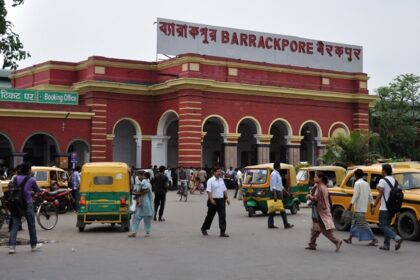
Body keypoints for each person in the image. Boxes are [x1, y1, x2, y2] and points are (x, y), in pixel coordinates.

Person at [8, 162, 43, 254]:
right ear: (28, 170)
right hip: (27, 204)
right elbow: (37, 191)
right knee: (31, 225)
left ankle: (12, 247)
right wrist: (33, 193)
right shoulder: (31, 179)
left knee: (15, 225)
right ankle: (33, 245)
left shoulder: (15, 178)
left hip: (16, 204)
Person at [306, 172, 342, 252]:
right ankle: (312, 244)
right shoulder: (323, 187)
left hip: (321, 211)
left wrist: (309, 196)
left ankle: (336, 241)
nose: (314, 178)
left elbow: (316, 199)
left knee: (322, 229)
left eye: (316, 177)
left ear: (320, 178)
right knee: (315, 228)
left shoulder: (320, 188)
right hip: (323, 209)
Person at [372, 164, 403, 251]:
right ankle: (386, 245)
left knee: (382, 226)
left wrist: (374, 205)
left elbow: (380, 194)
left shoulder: (383, 180)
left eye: (382, 170)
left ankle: (396, 238)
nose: (381, 171)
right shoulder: (394, 180)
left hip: (385, 208)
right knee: (387, 226)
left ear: (384, 171)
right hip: (392, 208)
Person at [343, 169, 378, 246]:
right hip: (363, 208)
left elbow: (355, 196)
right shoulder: (366, 184)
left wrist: (350, 205)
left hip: (358, 208)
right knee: (354, 223)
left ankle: (374, 239)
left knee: (363, 224)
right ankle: (350, 238)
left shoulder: (357, 183)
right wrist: (372, 206)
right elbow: (370, 195)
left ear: (355, 175)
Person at [201, 166, 230, 237]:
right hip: (213, 200)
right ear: (214, 172)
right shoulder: (210, 180)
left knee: (222, 216)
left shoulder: (221, 180)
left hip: (221, 200)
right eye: (218, 171)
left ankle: (222, 232)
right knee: (210, 216)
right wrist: (211, 199)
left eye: (220, 171)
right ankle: (204, 228)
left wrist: (227, 198)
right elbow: (208, 191)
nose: (219, 173)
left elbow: (224, 189)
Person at [267, 162, 294, 229]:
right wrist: (275, 195)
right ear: (277, 166)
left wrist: (287, 193)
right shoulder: (274, 174)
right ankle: (286, 224)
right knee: (280, 209)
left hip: (279, 193)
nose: (280, 167)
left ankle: (271, 224)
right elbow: (274, 186)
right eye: (279, 166)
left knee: (273, 209)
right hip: (276, 193)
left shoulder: (277, 174)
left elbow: (280, 186)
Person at [129, 172, 154, 238]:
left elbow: (146, 191)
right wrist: (136, 193)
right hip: (138, 204)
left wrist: (138, 193)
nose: (138, 177)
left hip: (146, 203)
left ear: (143, 176)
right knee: (136, 218)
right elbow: (134, 192)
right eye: (138, 175)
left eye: (140, 175)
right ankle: (134, 232)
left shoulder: (147, 183)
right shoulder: (137, 184)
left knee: (147, 218)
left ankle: (147, 232)